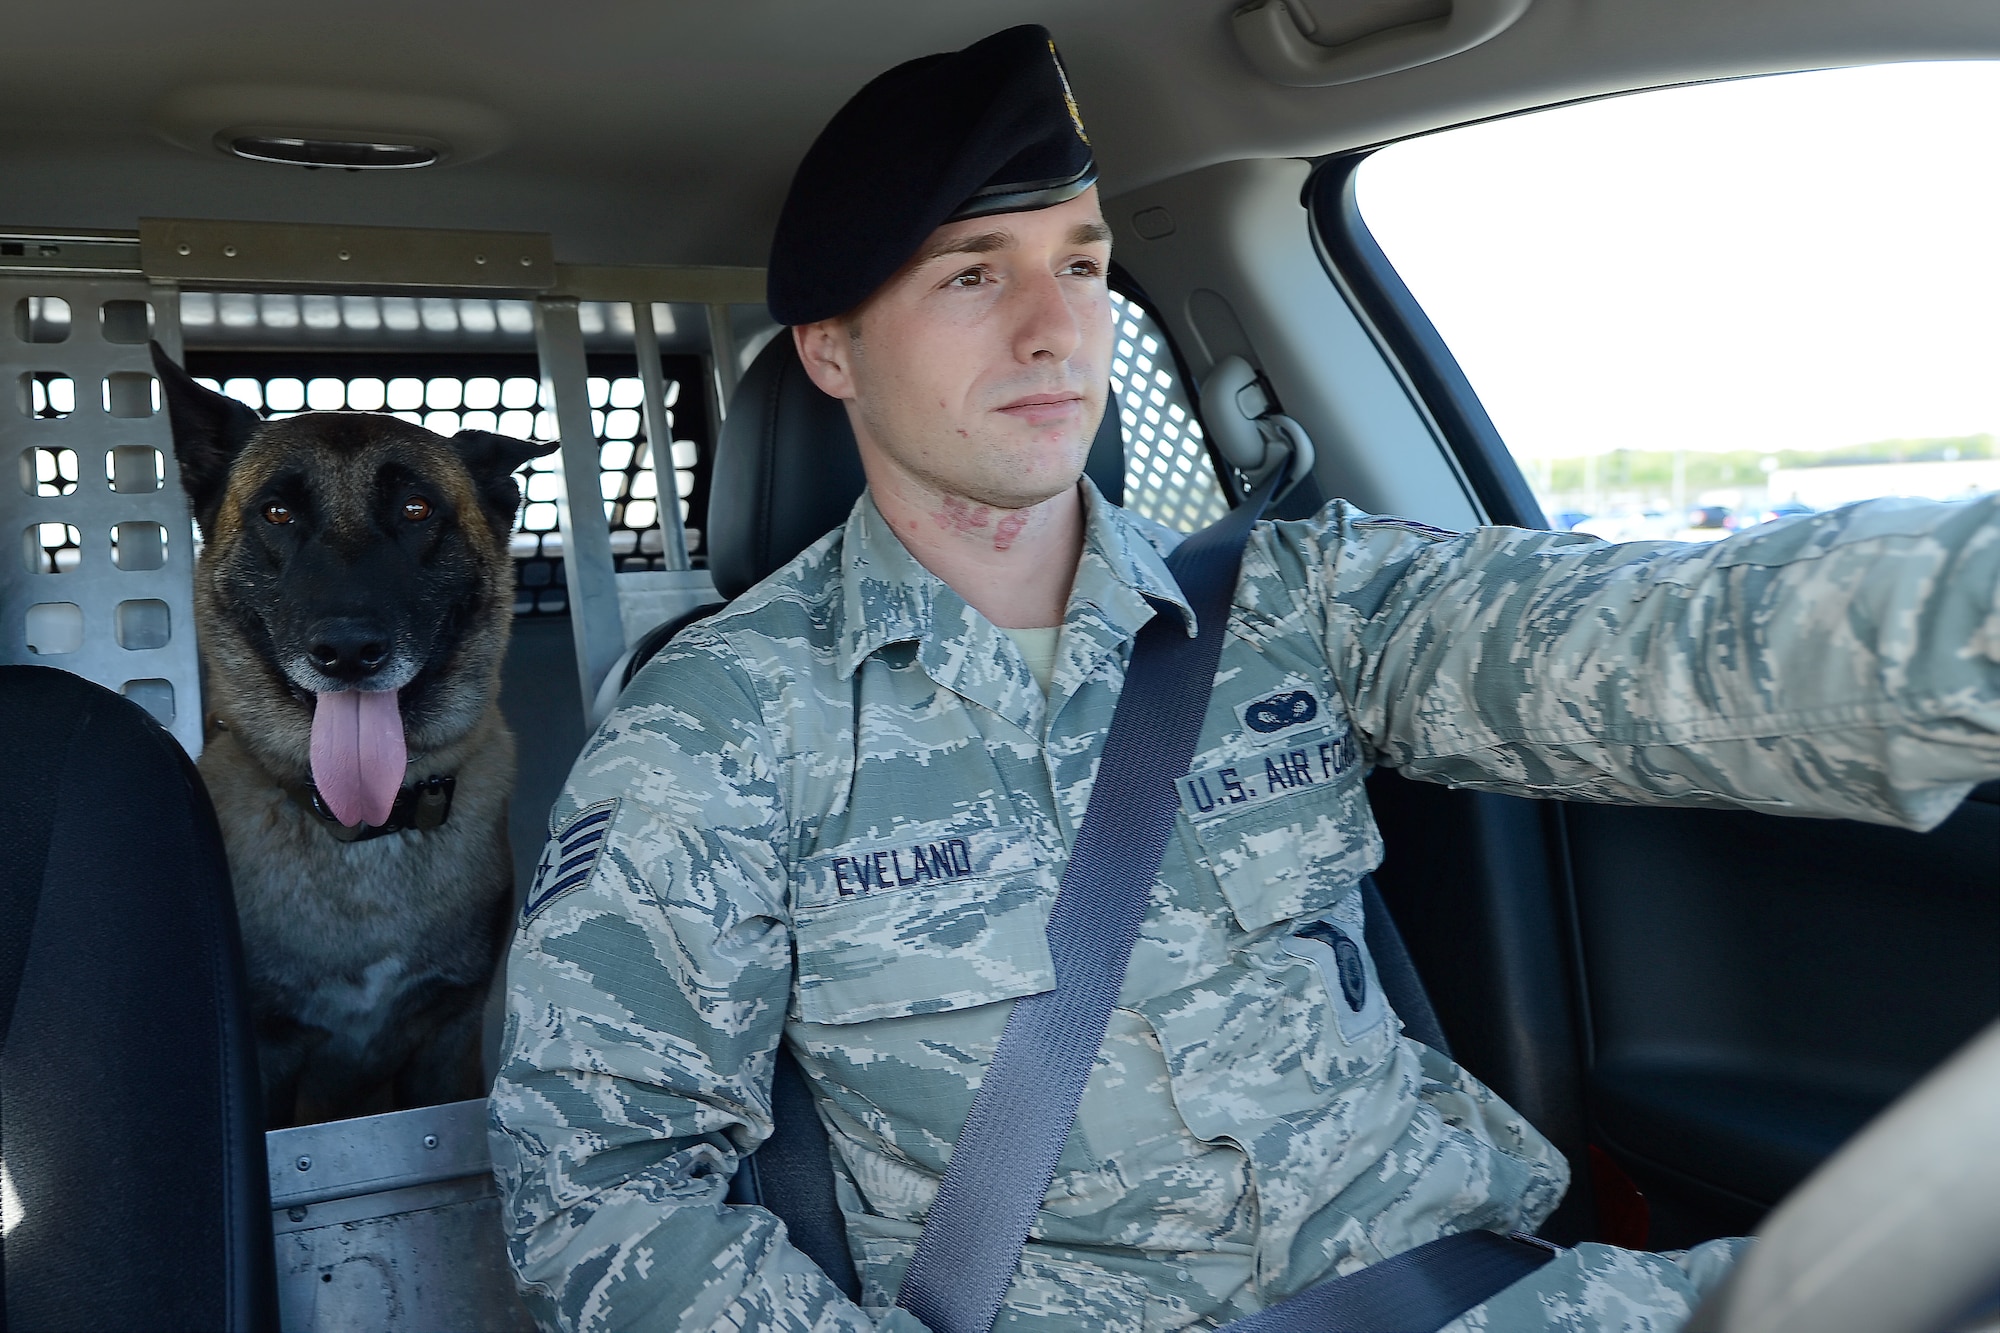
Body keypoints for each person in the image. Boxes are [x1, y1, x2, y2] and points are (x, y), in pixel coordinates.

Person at [488, 24, 2000, 1333]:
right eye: (970, 275)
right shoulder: (715, 728)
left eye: (1080, 264)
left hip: (1494, 1293)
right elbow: (601, 1188)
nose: (1054, 328)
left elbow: (1674, 636)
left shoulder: (1292, 597)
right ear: (829, 352)